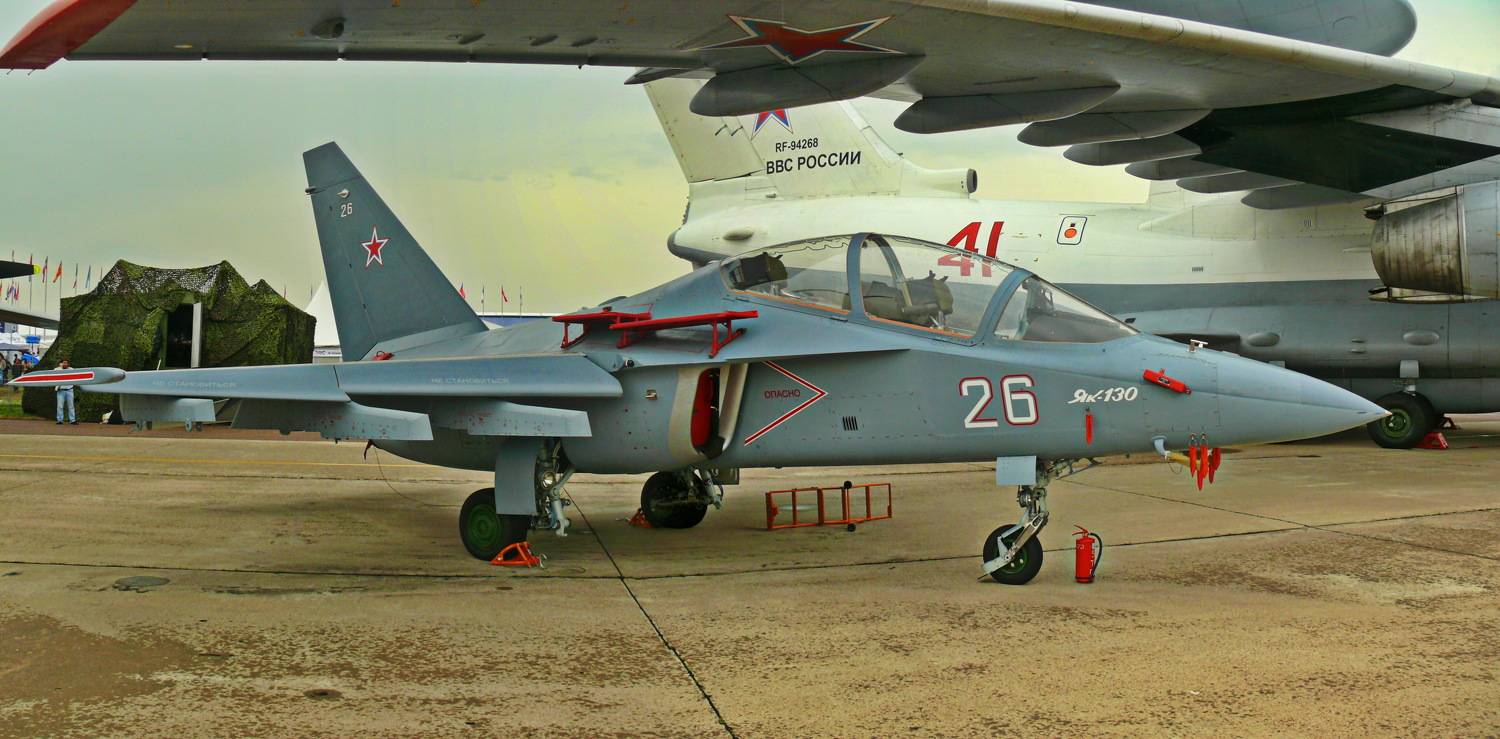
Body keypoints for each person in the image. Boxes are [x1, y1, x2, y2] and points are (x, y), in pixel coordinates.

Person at [54, 359, 76, 425]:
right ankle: (60, 420)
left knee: (71, 406)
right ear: (61, 363)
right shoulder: (56, 369)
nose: (65, 364)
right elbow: (53, 376)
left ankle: (72, 420)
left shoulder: (72, 369)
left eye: (66, 363)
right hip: (60, 390)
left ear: (68, 364)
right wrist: (60, 368)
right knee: (60, 406)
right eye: (63, 363)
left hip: (70, 390)